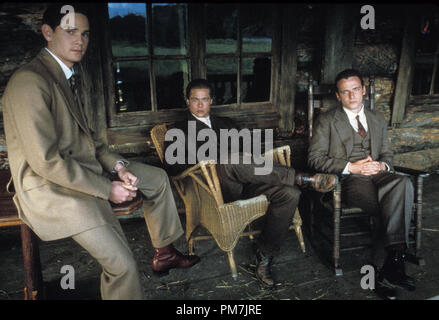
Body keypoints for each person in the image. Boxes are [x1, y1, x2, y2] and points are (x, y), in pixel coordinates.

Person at [2, 4, 198, 300]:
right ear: (47, 33)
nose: (80, 40)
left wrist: (119, 167)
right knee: (122, 266)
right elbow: (46, 161)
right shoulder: (30, 82)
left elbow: (90, 139)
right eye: (70, 32)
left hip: (84, 166)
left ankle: (165, 252)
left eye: (85, 33)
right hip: (52, 186)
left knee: (156, 178)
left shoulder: (63, 75)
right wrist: (108, 189)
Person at [164, 79, 336, 287]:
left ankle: (264, 255)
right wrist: (207, 159)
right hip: (213, 189)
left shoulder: (226, 124)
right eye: (195, 100)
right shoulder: (178, 130)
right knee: (229, 159)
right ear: (187, 101)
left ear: (211, 101)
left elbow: (251, 156)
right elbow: (171, 166)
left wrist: (244, 155)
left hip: (247, 181)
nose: (200, 105)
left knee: (290, 194)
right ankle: (301, 178)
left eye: (204, 100)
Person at [308, 68, 415, 300]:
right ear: (338, 96)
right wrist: (352, 167)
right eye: (345, 92)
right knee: (388, 207)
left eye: (355, 89)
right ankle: (387, 269)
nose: (351, 96)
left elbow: (387, 154)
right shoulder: (326, 121)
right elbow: (314, 159)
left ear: (363, 90)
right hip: (350, 180)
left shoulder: (377, 118)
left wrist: (382, 166)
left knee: (403, 184)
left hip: (378, 174)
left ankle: (393, 262)